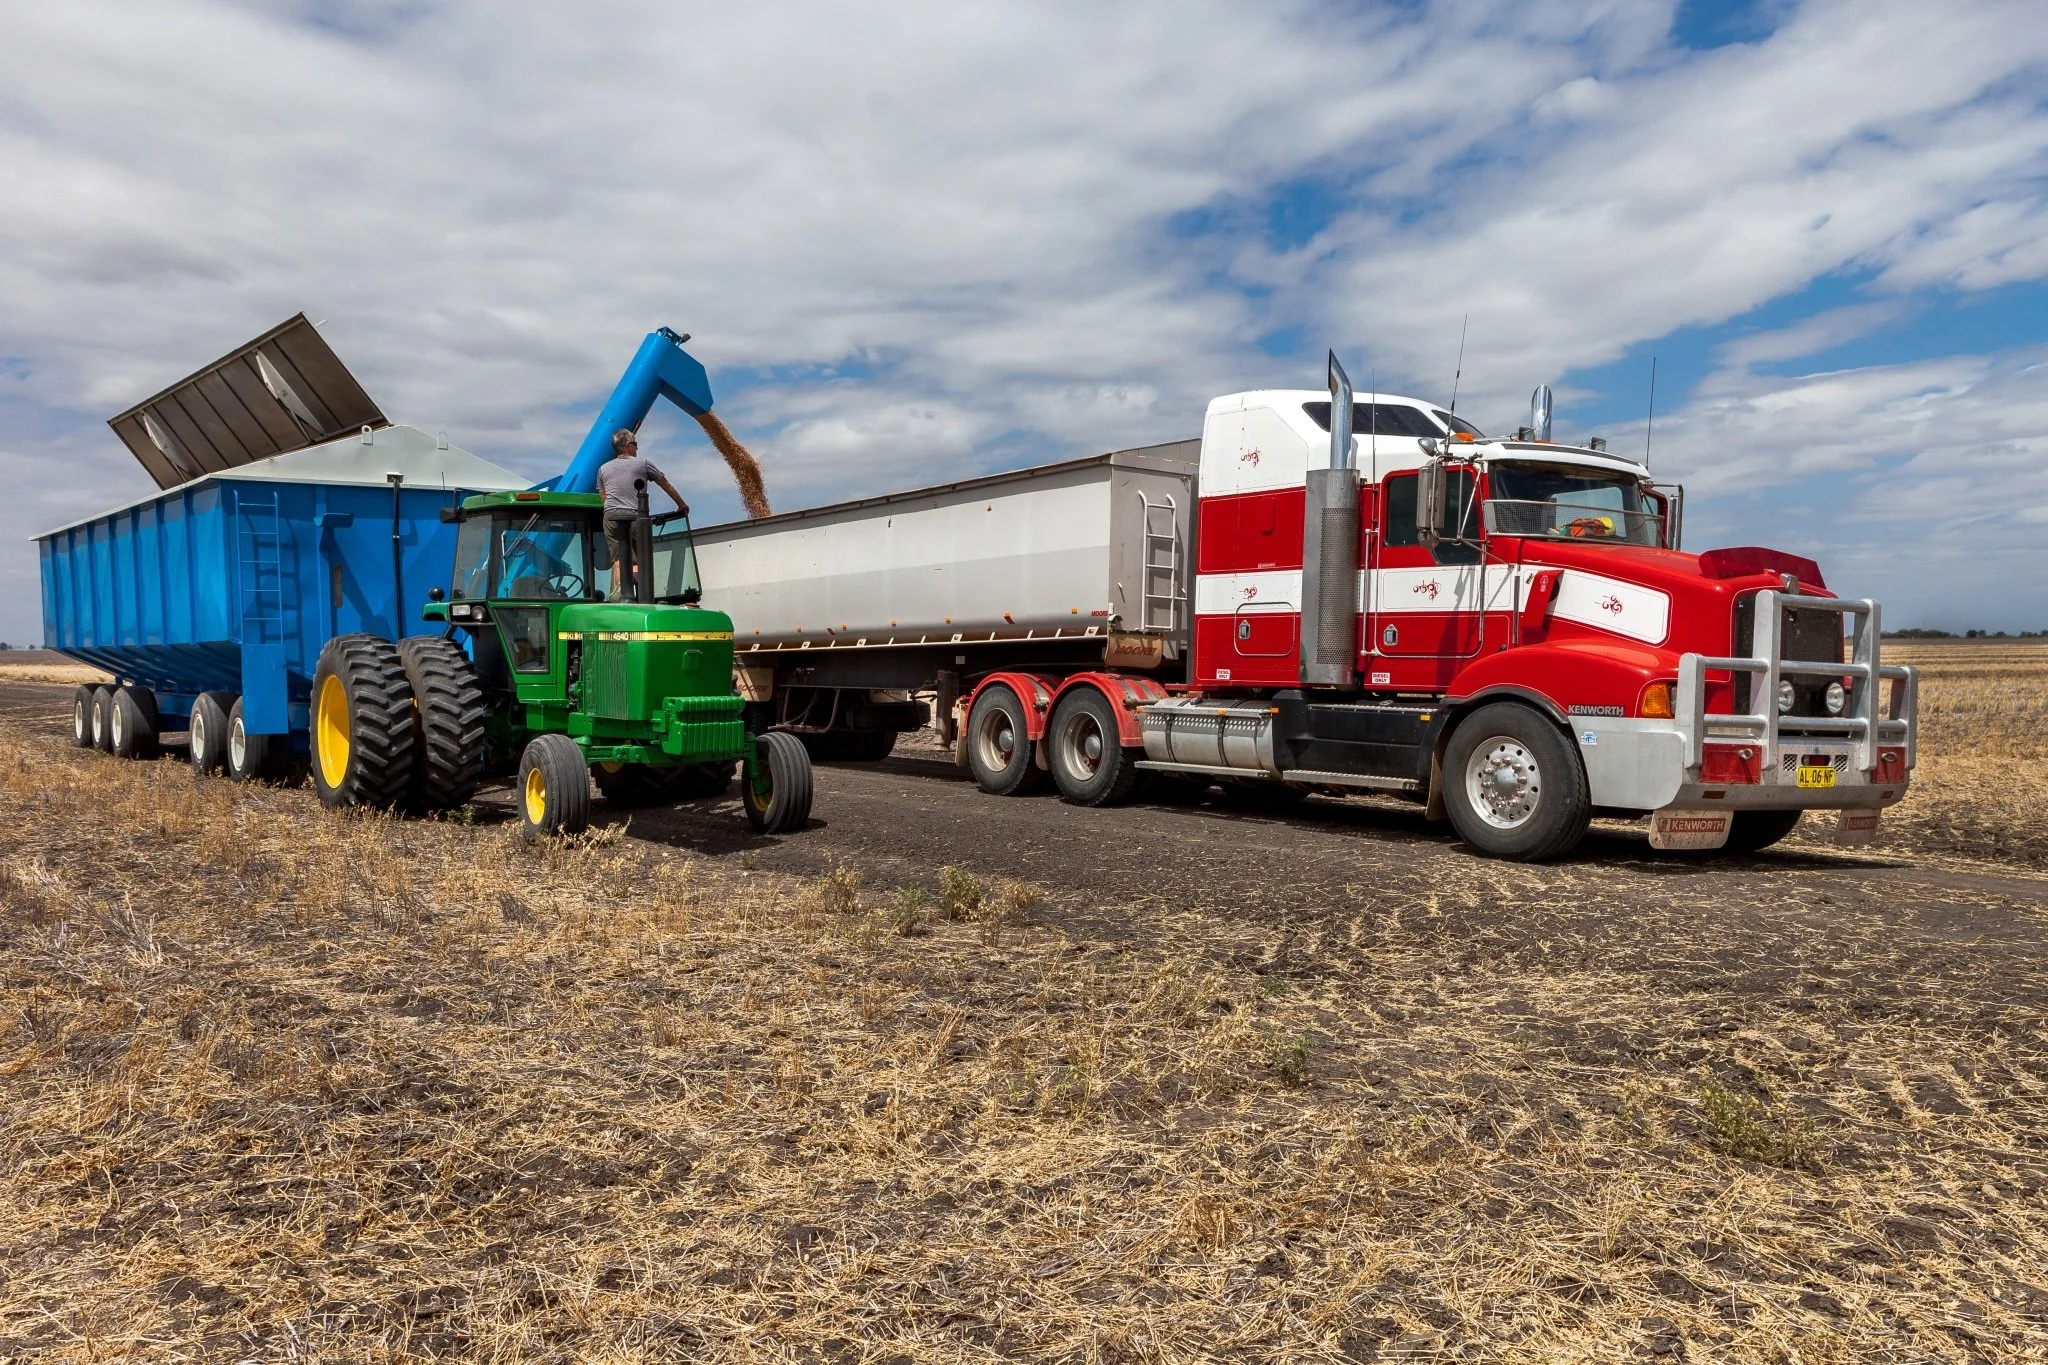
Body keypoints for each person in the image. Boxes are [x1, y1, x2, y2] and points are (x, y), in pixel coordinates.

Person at [596, 429, 688, 599]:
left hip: (610, 516)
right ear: (629, 446)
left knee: (619, 560)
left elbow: (603, 496)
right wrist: (681, 504)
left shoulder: (603, 469)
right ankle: (639, 599)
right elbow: (665, 484)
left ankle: (622, 597)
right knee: (637, 560)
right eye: (636, 445)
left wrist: (612, 510)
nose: (637, 449)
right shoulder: (643, 463)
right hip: (634, 515)